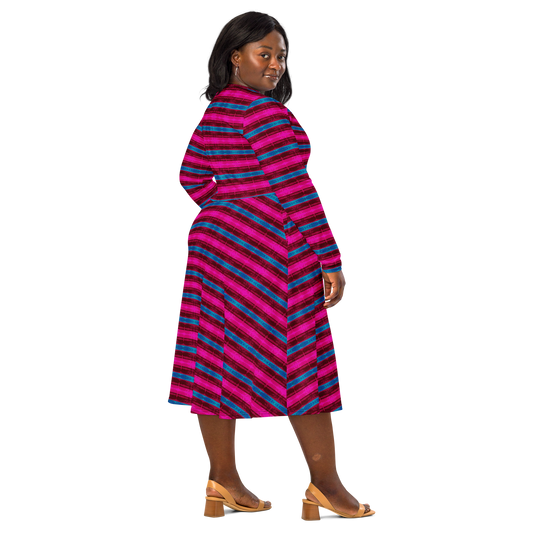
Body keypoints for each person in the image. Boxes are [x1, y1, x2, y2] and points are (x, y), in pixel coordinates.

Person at [166, 8, 377, 521]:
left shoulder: (212, 114)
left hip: (214, 255)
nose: (276, 65)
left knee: (213, 361)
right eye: (265, 54)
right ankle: (326, 487)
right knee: (303, 362)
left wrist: (228, 206)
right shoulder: (264, 114)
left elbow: (190, 177)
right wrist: (331, 258)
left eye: (281, 56)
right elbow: (298, 190)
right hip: (271, 254)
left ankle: (221, 479)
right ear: (234, 57)